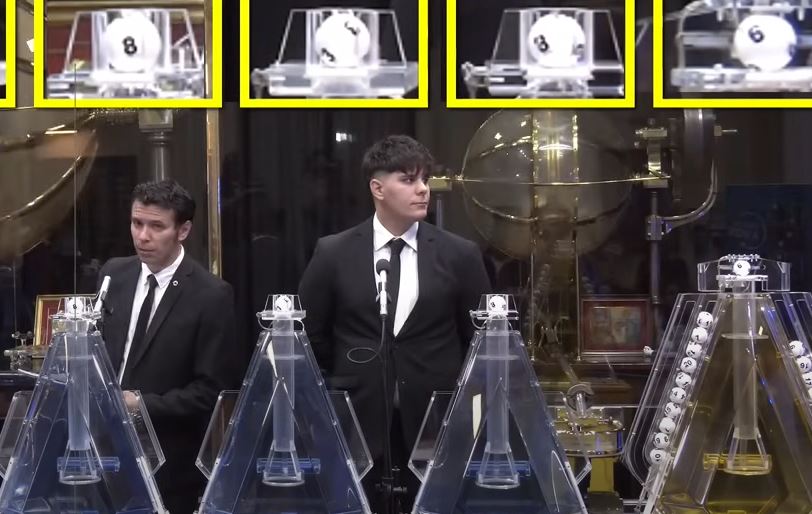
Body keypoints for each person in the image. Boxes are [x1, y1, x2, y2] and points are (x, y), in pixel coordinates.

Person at [298, 135, 492, 513]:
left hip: (436, 424)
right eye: (408, 179)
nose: (423, 189)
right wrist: (334, 395)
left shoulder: (460, 254)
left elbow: (480, 344)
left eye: (425, 180)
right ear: (378, 188)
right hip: (357, 424)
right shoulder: (334, 252)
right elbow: (309, 338)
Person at [97, 179, 241, 514]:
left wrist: (141, 405)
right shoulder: (113, 274)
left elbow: (212, 391)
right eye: (137, 223)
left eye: (156, 226)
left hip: (170, 461)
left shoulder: (211, 295)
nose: (142, 236)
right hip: (106, 452)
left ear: (183, 230)